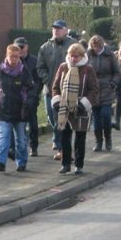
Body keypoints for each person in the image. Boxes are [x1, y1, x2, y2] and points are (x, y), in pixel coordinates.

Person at [51, 43, 99, 174]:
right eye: (71, 56)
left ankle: (79, 165)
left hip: (81, 108)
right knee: (64, 137)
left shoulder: (88, 69)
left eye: (76, 56)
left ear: (82, 56)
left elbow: (94, 90)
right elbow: (55, 87)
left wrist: (84, 104)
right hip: (64, 108)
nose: (73, 59)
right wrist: (56, 100)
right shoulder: (63, 67)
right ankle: (65, 164)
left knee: (80, 137)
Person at [0, 44, 34, 173]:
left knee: (21, 139)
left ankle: (21, 162)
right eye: (11, 56)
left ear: (19, 56)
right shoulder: (0, 71)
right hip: (3, 109)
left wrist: (28, 104)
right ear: (6, 56)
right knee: (4, 136)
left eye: (16, 56)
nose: (13, 59)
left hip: (20, 111)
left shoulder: (24, 72)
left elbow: (31, 90)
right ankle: (0, 161)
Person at [36, 20, 75, 160]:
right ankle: (60, 144)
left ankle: (63, 149)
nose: (56, 30)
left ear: (66, 30)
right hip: (50, 90)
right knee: (52, 118)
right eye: (54, 28)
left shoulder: (73, 45)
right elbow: (40, 67)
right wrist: (48, 80)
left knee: (65, 120)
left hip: (69, 90)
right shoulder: (45, 47)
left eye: (59, 28)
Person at [87, 35, 119, 151]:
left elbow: (117, 72)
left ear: (101, 46)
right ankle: (98, 141)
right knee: (96, 118)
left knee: (105, 115)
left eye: (97, 47)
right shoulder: (88, 55)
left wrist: (113, 83)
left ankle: (108, 138)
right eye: (93, 47)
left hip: (107, 88)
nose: (96, 49)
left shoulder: (109, 56)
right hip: (93, 89)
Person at [12, 37, 41, 157]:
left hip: (31, 98)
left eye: (22, 47)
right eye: (17, 47)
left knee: (33, 124)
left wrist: (33, 96)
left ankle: (33, 147)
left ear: (27, 47)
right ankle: (20, 147)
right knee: (18, 125)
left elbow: (38, 81)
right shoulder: (12, 61)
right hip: (16, 98)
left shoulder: (34, 61)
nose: (20, 50)